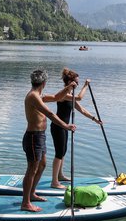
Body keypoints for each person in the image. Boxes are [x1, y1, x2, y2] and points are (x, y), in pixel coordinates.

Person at [21, 68, 77, 212]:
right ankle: (25, 203)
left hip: (40, 136)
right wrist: (65, 125)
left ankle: (32, 194)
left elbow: (57, 97)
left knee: (42, 165)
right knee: (32, 169)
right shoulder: (33, 96)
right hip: (33, 137)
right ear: (44, 83)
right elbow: (50, 113)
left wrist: (69, 87)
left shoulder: (38, 95)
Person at [49, 68, 102, 189]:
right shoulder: (64, 95)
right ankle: (54, 181)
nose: (77, 84)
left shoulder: (70, 96)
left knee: (63, 152)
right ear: (70, 82)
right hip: (58, 126)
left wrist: (95, 119)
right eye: (76, 82)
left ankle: (60, 175)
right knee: (58, 153)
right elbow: (80, 98)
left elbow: (82, 110)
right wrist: (85, 86)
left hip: (65, 127)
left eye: (78, 83)